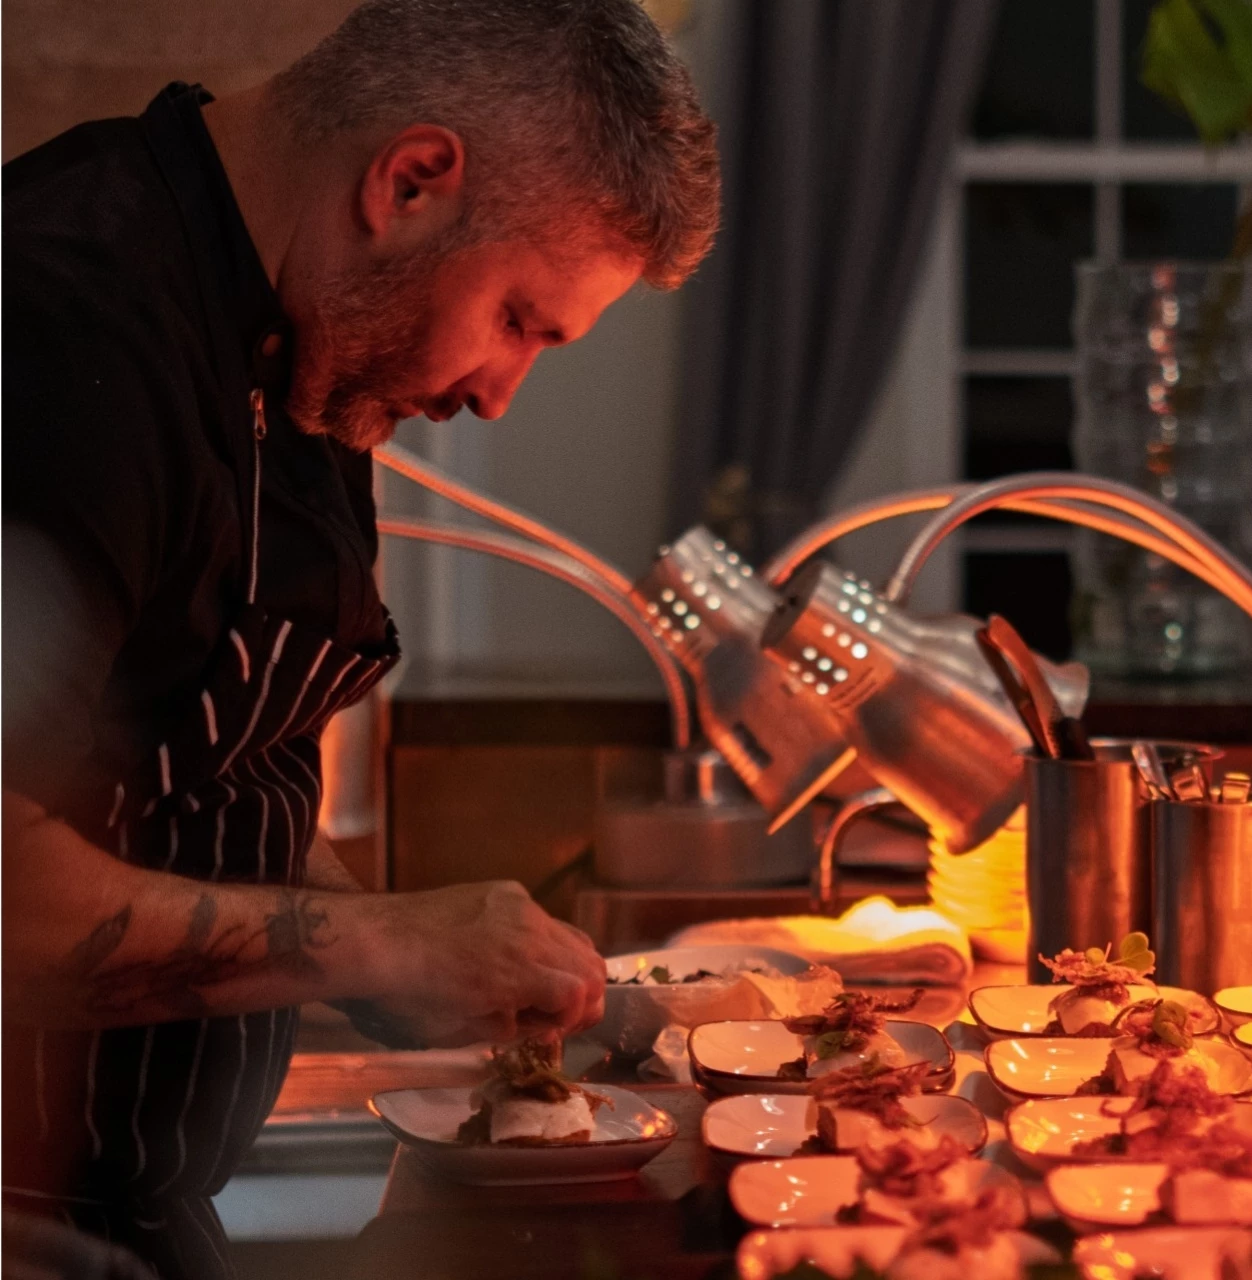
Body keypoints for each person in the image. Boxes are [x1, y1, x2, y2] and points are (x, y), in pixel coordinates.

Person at [0, 2, 720, 1276]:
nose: (498, 394)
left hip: (149, 1212)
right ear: (412, 181)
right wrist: (383, 940)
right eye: (519, 321)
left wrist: (419, 953)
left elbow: (202, 779)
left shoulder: (315, 350)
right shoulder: (59, 333)